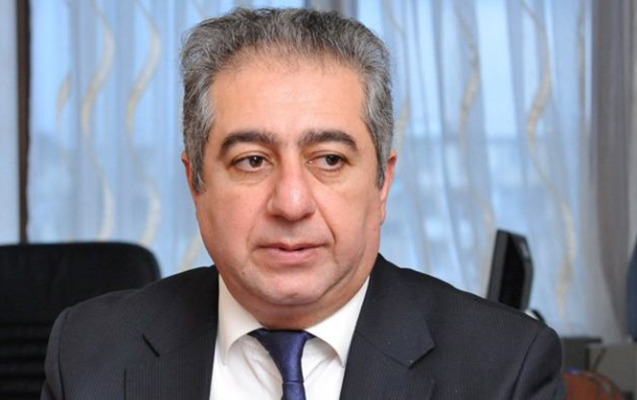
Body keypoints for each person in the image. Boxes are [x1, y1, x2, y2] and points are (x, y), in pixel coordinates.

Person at [41, 8, 565, 400]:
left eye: (330, 160)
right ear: (195, 183)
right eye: (252, 161)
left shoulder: (505, 367)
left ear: (382, 183)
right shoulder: (88, 353)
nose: (291, 204)